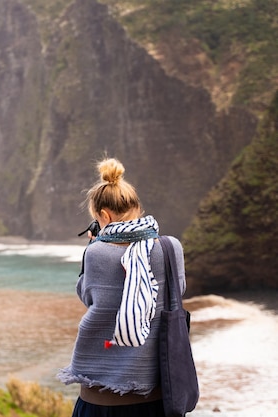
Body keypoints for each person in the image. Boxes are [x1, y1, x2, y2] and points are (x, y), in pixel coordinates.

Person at [57, 158, 186, 417]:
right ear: (138, 208)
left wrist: (93, 246)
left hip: (102, 398)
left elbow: (87, 294)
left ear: (104, 216)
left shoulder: (97, 253)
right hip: (159, 392)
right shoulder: (171, 247)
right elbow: (176, 292)